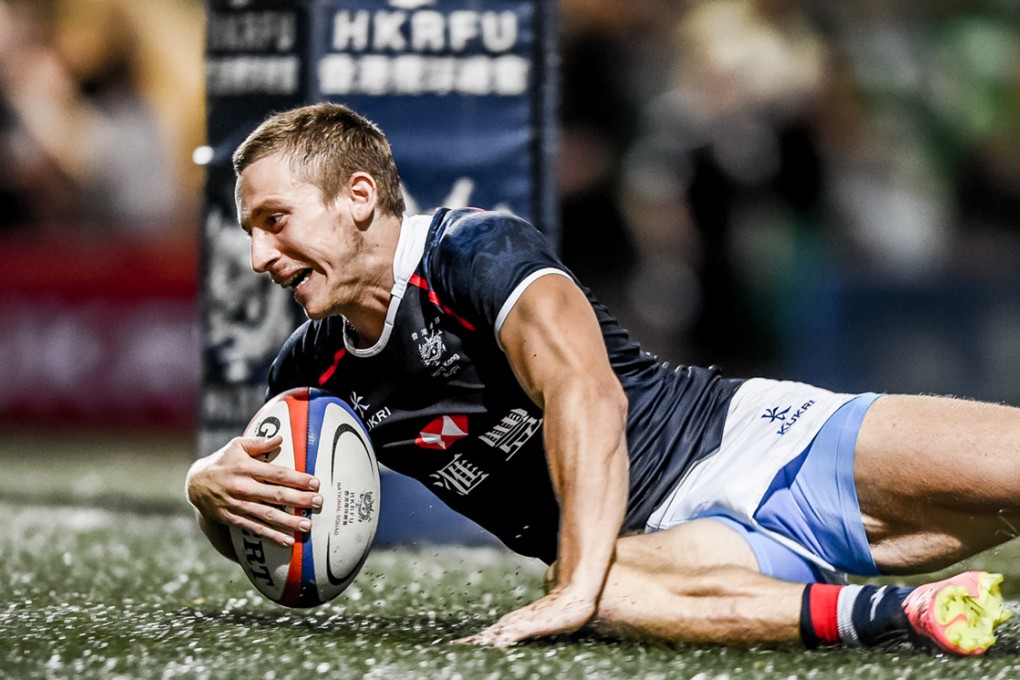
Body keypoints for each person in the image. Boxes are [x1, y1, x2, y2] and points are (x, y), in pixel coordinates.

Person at [185, 102, 1017, 656]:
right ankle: (907, 614)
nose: (259, 257)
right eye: (250, 232)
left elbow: (589, 394)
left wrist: (577, 581)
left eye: (274, 222)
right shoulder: (308, 370)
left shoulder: (477, 251)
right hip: (664, 557)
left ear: (358, 196)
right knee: (610, 594)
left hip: (751, 442)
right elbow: (281, 534)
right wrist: (210, 493)